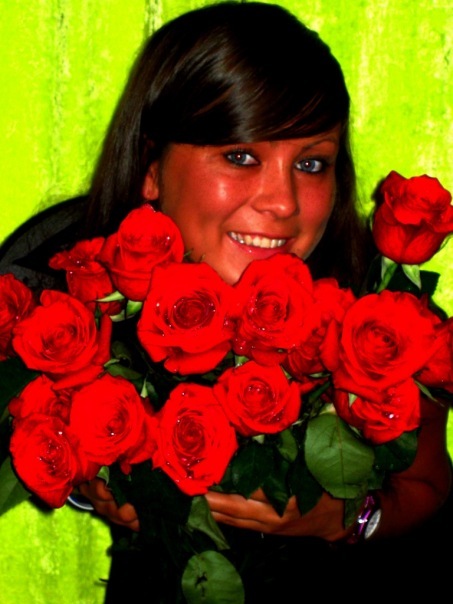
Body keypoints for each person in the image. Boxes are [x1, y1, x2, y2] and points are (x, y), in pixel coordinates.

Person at [1, 1, 452, 600]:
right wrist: (88, 477)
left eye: (311, 163)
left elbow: (428, 486)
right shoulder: (71, 288)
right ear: (152, 167)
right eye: (241, 157)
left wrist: (348, 518)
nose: (283, 202)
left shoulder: (377, 316)